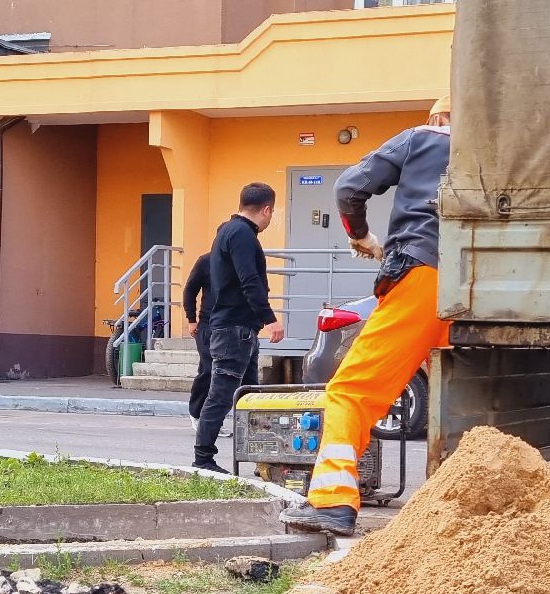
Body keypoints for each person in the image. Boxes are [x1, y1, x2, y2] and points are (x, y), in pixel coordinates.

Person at [282, 95, 454, 536]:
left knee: (349, 393)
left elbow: (347, 188)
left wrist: (360, 235)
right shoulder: (504, 148)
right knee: (467, 404)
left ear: (439, 117)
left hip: (425, 276)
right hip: (495, 286)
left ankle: (333, 502)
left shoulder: (423, 137)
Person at [193, 183, 285, 472]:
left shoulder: (228, 232)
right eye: (273, 212)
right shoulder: (243, 235)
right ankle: (203, 459)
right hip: (234, 329)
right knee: (221, 396)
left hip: (238, 328)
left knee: (250, 396)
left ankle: (262, 460)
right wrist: (270, 318)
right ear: (267, 209)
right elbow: (250, 281)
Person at [179, 251, 213, 421]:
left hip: (231, 325)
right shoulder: (206, 261)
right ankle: (196, 413)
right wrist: (191, 319)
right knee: (209, 369)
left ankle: (211, 418)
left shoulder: (238, 260)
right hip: (207, 325)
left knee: (218, 372)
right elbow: (190, 290)